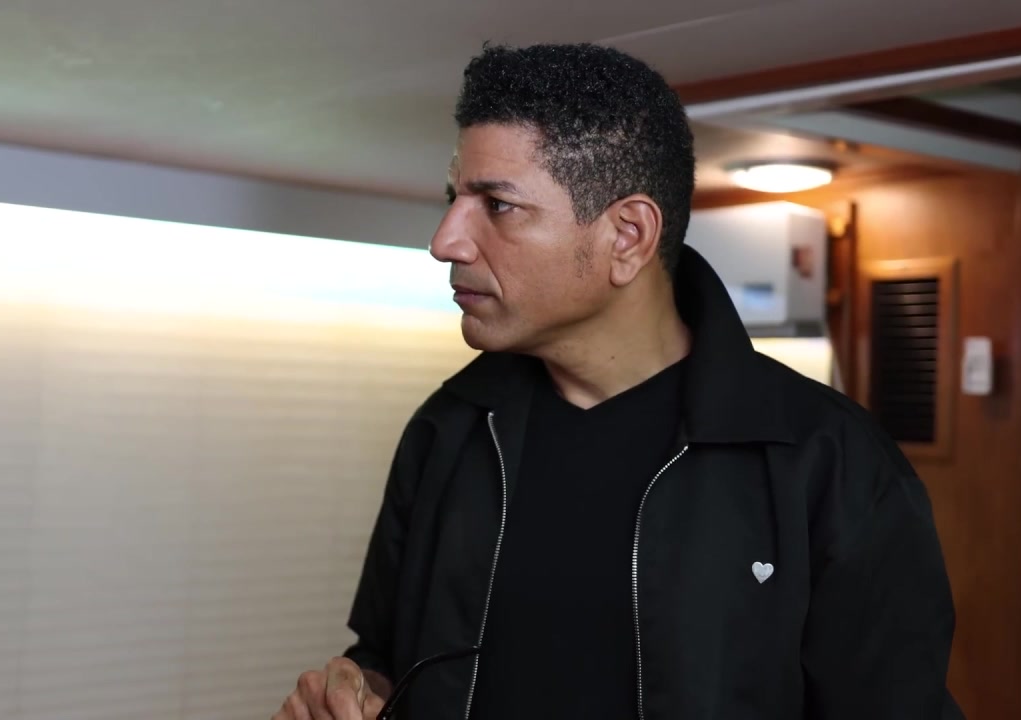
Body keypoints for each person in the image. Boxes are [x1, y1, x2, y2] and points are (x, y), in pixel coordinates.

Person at [273, 42, 961, 720]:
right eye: (455, 198)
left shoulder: (830, 464)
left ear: (627, 236)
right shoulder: (448, 428)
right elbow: (388, 657)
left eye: (497, 205)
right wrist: (350, 692)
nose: (444, 240)